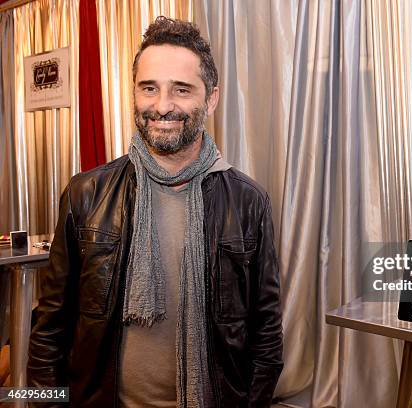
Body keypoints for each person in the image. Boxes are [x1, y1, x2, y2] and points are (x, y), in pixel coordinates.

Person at [28, 16, 283, 408]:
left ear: (210, 98)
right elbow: (50, 328)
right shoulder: (85, 195)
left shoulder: (248, 202)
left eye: (181, 89)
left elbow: (265, 335)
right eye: (150, 88)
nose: (162, 106)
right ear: (135, 92)